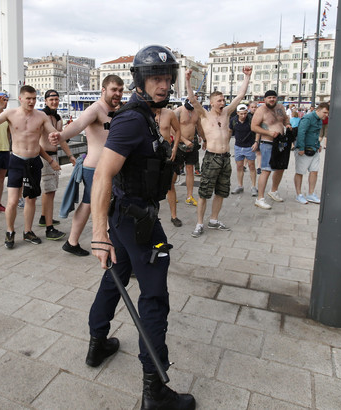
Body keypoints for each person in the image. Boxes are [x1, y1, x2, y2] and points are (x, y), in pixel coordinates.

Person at [87, 45, 195, 409]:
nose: (163, 85)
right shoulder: (134, 119)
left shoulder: (149, 115)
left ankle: (97, 343)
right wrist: (98, 235)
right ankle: (155, 389)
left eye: (167, 78)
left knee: (115, 275)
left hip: (128, 218)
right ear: (140, 80)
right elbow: (102, 174)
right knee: (154, 295)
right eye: (155, 78)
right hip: (140, 226)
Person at [49, 75, 125, 256]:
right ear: (104, 90)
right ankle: (110, 248)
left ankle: (72, 241)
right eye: (114, 90)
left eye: (121, 90)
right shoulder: (96, 109)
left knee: (90, 204)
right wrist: (61, 136)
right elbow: (78, 124)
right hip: (95, 169)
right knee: (98, 205)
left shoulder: (117, 109)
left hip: (109, 168)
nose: (118, 94)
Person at [0, 85, 60, 248]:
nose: (31, 102)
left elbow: (53, 132)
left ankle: (28, 231)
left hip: (34, 161)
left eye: (34, 98)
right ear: (21, 98)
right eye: (28, 98)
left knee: (31, 199)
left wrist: (56, 137)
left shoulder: (41, 116)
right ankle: (10, 232)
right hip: (17, 160)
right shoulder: (10, 114)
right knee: (11, 201)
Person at [186, 65, 252, 238]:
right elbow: (192, 99)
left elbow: (240, 96)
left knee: (222, 191)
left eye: (224, 100)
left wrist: (247, 77)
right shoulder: (205, 115)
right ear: (212, 102)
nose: (223, 103)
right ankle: (199, 223)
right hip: (211, 158)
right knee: (204, 193)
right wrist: (187, 79)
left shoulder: (227, 113)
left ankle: (214, 220)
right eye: (220, 101)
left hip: (225, 158)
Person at [39, 90, 75, 240]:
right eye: (51, 99)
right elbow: (36, 142)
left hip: (54, 155)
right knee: (49, 191)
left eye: (56, 99)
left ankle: (44, 217)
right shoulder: (42, 117)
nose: (54, 102)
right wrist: (49, 159)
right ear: (46, 101)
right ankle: (49, 228)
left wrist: (70, 156)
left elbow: (61, 139)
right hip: (45, 157)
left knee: (50, 190)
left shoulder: (58, 118)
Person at [251, 90, 292, 210]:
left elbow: (285, 119)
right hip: (267, 143)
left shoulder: (280, 108)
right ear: (265, 99)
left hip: (280, 142)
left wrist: (288, 124)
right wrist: (268, 132)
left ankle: (273, 191)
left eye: (274, 97)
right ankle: (260, 198)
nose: (272, 99)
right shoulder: (261, 110)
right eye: (269, 97)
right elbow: (254, 127)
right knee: (266, 170)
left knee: (280, 168)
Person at [294, 103, 330, 205]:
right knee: (300, 172)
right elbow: (301, 132)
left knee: (314, 171)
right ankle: (299, 195)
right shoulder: (308, 118)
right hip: (304, 149)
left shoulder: (319, 120)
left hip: (314, 149)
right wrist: (301, 147)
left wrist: (318, 144)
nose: (326, 115)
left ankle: (311, 194)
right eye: (324, 112)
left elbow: (316, 134)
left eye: (327, 113)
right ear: (318, 110)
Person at [153, 105, 182, 226]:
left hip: (166, 153)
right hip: (152, 154)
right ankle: (152, 215)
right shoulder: (146, 113)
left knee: (170, 185)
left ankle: (174, 216)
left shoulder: (169, 113)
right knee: (151, 185)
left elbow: (178, 130)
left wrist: (175, 148)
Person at [174, 99, 204, 207]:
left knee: (190, 169)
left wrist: (204, 139)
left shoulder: (196, 112)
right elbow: (173, 130)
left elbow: (199, 127)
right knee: (175, 170)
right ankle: (171, 192)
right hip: (180, 144)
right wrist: (184, 140)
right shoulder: (178, 111)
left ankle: (189, 196)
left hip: (192, 144)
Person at [230, 104, 258, 196]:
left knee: (252, 166)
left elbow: (257, 131)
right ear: (237, 113)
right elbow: (230, 132)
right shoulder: (233, 120)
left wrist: (256, 142)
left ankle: (253, 186)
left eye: (245, 113)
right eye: (241, 114)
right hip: (238, 146)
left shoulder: (251, 119)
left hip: (249, 146)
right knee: (239, 166)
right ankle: (240, 185)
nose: (243, 116)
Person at [249, 101, 263, 175]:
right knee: (248, 151)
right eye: (252, 107)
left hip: (258, 135)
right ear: (249, 108)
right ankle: (244, 165)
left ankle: (259, 167)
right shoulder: (247, 116)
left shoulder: (260, 116)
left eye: (255, 107)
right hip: (249, 136)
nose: (254, 109)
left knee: (258, 151)